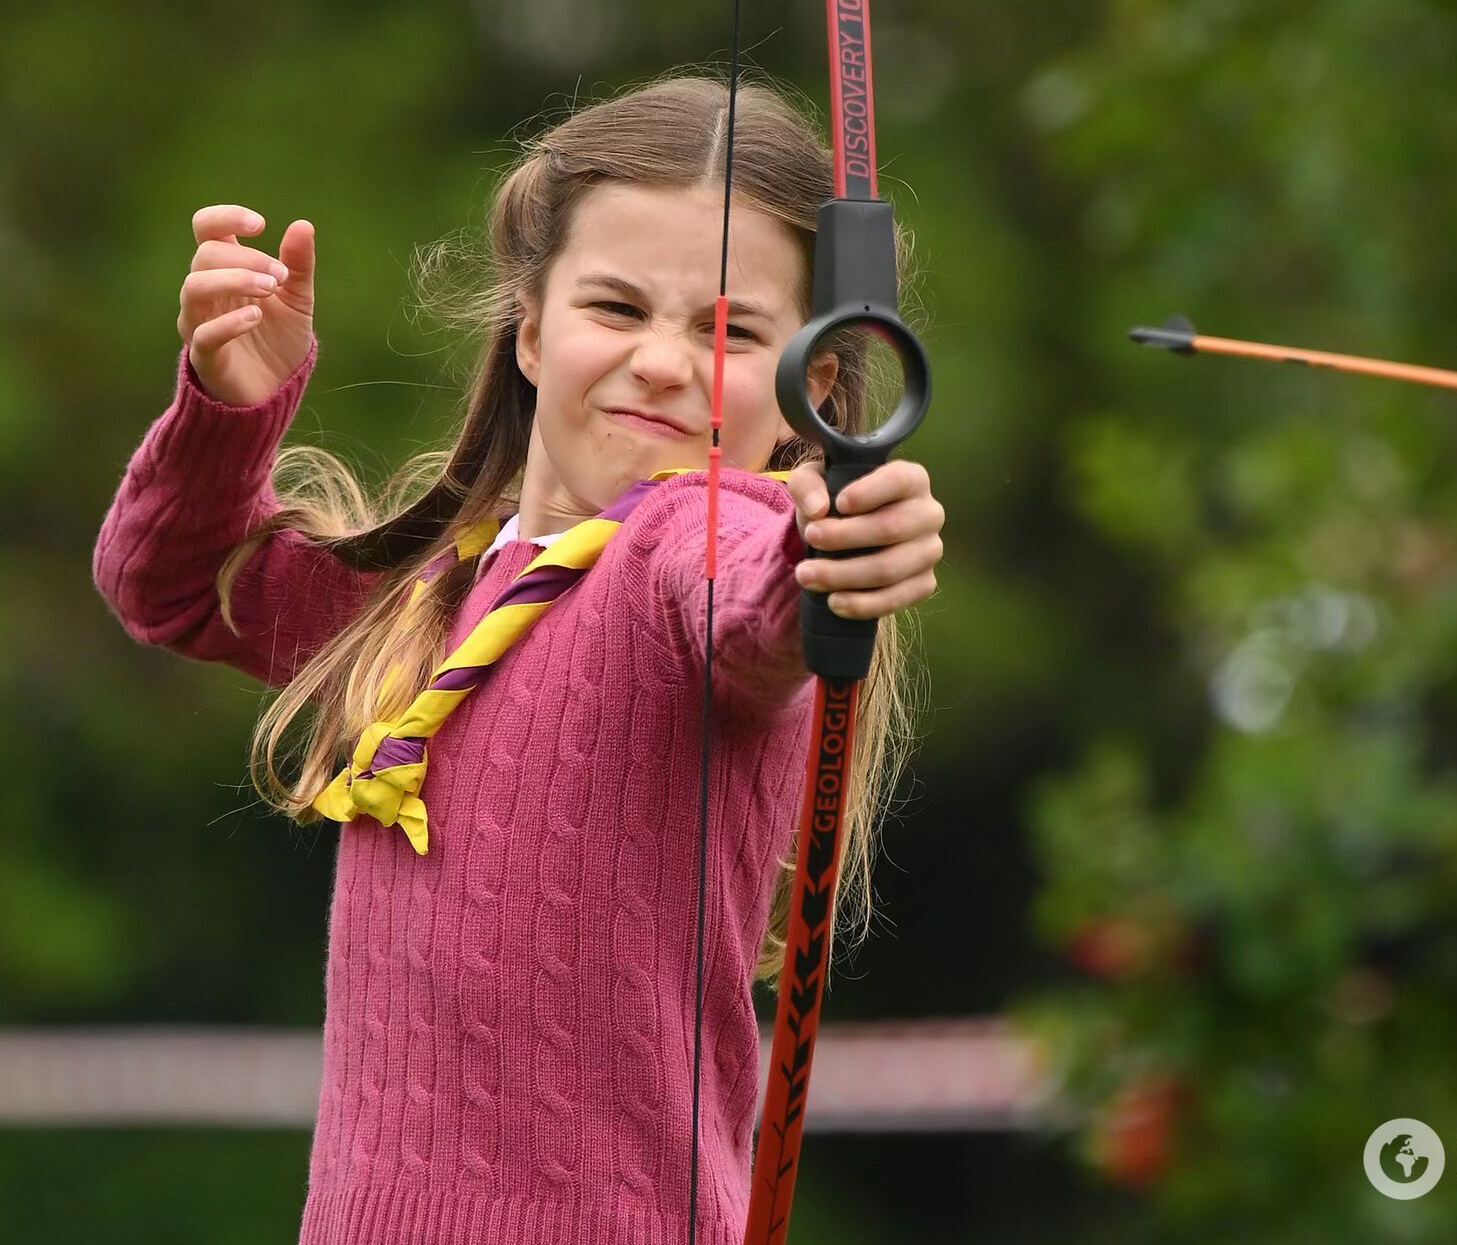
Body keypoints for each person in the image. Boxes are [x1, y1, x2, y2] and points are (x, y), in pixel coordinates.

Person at [90, 74, 945, 1244]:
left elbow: (750, 606)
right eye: (616, 306)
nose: (659, 361)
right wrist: (229, 409)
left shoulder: (690, 540)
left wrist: (826, 549)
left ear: (817, 391)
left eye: (730, 329)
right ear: (531, 329)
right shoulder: (420, 596)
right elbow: (171, 583)